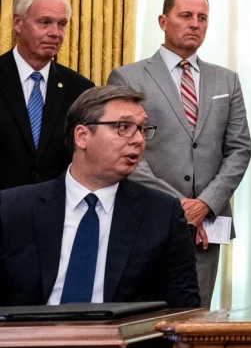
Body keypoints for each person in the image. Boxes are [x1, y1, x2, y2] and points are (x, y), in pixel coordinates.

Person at [106, 0, 251, 307]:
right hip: (148, 217)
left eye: (202, 17)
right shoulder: (127, 77)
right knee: (145, 321)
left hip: (207, 227)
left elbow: (240, 149)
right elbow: (124, 151)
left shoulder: (227, 80)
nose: (194, 24)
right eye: (185, 15)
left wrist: (204, 205)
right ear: (162, 20)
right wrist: (180, 207)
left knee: (196, 319)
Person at [0, 85, 199, 307]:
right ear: (82, 136)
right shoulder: (11, 208)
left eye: (142, 129)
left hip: (120, 339)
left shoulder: (162, 213)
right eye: (123, 127)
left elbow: (183, 309)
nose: (138, 140)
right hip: (26, 338)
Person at [0, 0, 94, 190]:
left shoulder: (80, 89)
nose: (55, 33)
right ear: (18, 23)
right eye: (44, 22)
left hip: (56, 211)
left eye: (61, 24)